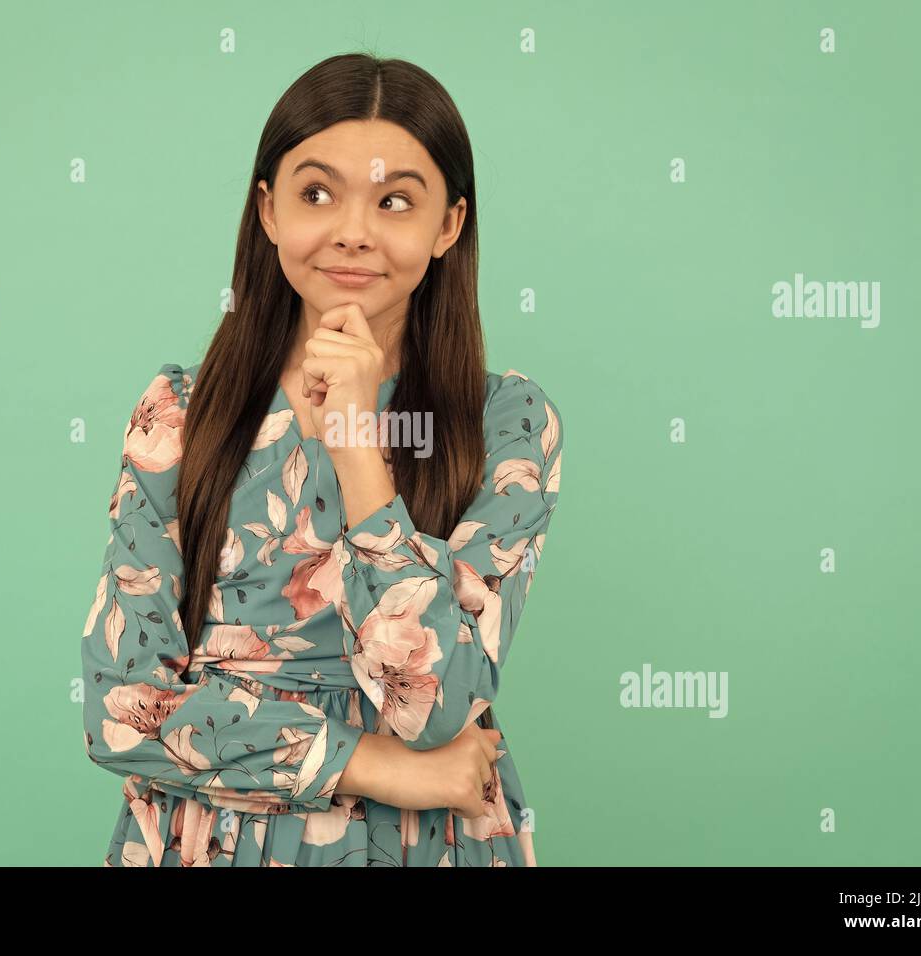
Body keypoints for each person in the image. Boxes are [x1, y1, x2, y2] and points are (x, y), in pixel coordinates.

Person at [81, 52, 564, 866]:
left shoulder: (506, 423)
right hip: (211, 843)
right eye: (316, 193)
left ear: (448, 224)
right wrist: (375, 765)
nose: (353, 230)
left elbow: (439, 709)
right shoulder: (181, 414)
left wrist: (355, 443)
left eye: (396, 201)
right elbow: (121, 713)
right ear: (268, 211)